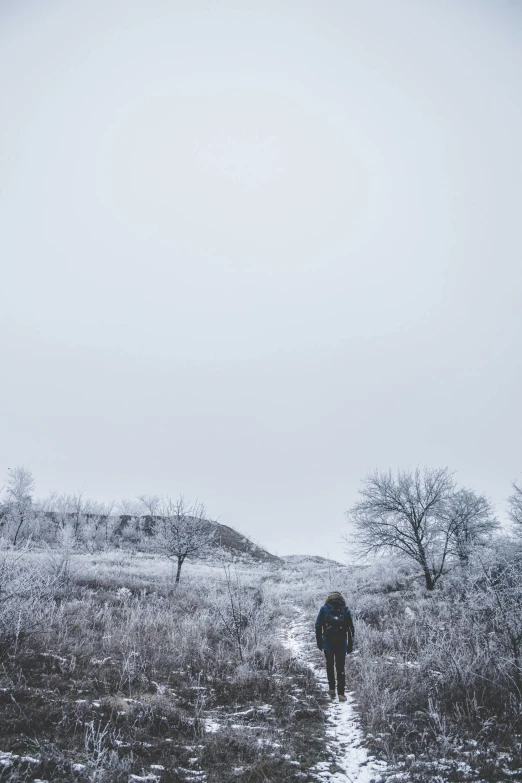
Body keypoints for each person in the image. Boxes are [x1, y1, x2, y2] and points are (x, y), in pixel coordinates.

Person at [315, 591, 354, 702]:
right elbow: (351, 628)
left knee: (330, 665)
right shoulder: (345, 610)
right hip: (341, 643)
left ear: (329, 598)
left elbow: (318, 626)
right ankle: (341, 694)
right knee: (340, 667)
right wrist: (350, 645)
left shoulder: (324, 609)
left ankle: (332, 689)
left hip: (327, 642)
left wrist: (319, 642)